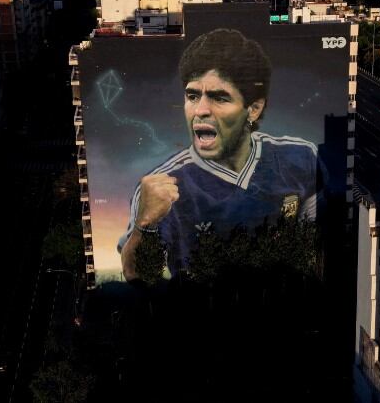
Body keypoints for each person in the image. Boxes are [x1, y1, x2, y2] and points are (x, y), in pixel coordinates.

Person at [118, 28, 321, 279]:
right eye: (192, 96)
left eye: (219, 98)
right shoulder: (161, 187)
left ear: (254, 109)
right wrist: (144, 223)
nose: (200, 110)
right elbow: (134, 276)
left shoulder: (299, 158)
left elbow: (315, 248)